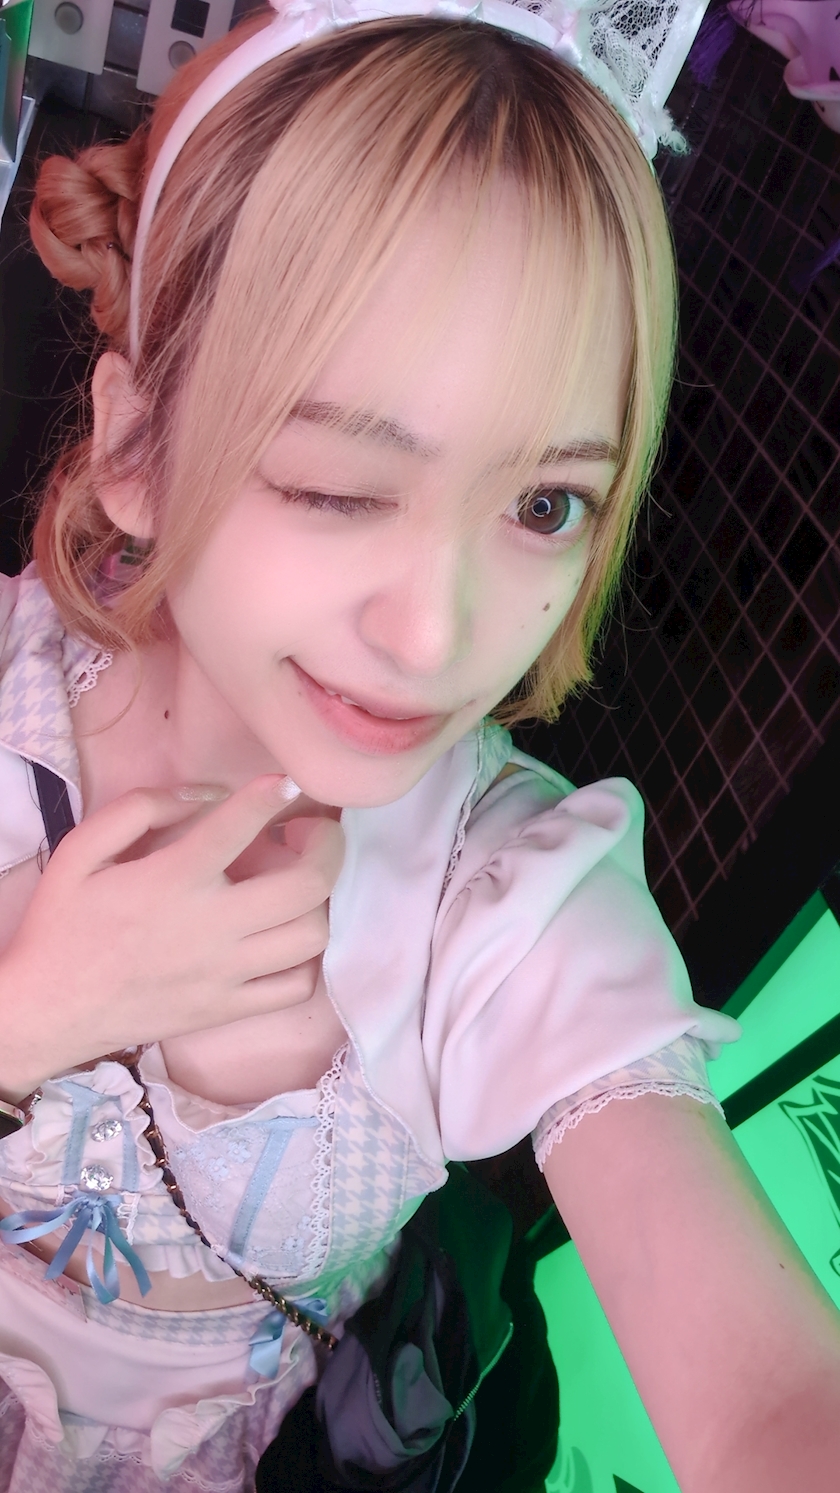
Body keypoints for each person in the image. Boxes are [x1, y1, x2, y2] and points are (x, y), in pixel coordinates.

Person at [1, 2, 840, 1489]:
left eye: (544, 505)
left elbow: (769, 1405)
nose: (439, 632)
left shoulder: (507, 897)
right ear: (135, 447)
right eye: (338, 484)